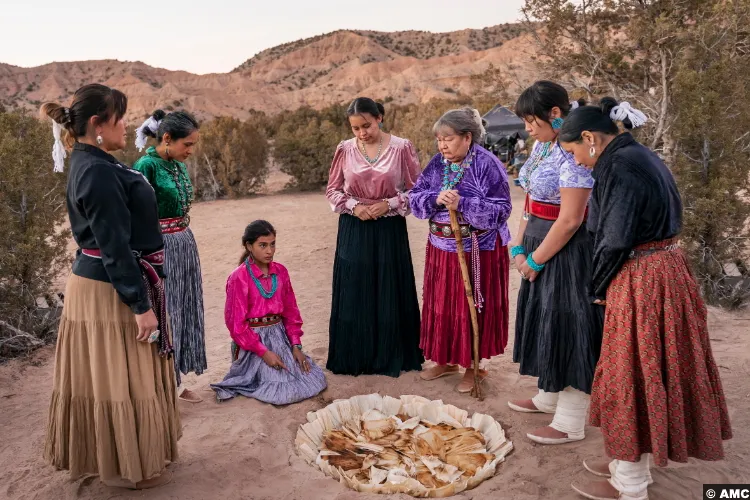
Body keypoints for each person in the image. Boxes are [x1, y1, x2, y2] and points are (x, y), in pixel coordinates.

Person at [558, 99, 732, 500]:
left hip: (643, 277)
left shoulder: (619, 166)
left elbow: (615, 237)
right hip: (663, 270)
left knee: (632, 373)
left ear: (589, 139)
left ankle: (630, 483)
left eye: (574, 153)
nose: (578, 163)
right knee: (648, 369)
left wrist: (597, 286)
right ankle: (628, 460)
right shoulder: (636, 155)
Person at [41, 84, 179, 489]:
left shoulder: (93, 162)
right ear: (98, 124)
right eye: (120, 118)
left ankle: (124, 460)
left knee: (116, 375)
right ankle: (123, 468)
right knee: (119, 376)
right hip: (109, 288)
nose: (127, 126)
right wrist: (140, 304)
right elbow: (114, 246)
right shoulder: (97, 172)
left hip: (104, 281)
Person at [507, 81, 604, 445]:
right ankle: (548, 395)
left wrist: (535, 258)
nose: (527, 128)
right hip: (537, 239)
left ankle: (570, 421)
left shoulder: (573, 152)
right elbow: (531, 197)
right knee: (545, 319)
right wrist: (518, 245)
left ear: (556, 115)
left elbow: (571, 218)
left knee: (568, 323)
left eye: (532, 120)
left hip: (566, 250)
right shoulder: (543, 144)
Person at [409, 107, 512, 393]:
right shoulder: (438, 164)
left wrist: (463, 204)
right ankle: (446, 361)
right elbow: (415, 197)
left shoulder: (487, 164)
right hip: (442, 249)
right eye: (439, 139)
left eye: (448, 139)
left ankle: (474, 366)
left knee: (472, 308)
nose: (442, 145)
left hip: (478, 251)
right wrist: (435, 198)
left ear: (467, 137)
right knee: (442, 306)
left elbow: (502, 210)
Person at [325, 97, 424, 377]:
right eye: (356, 128)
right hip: (354, 227)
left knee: (389, 288)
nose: (361, 133)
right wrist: (355, 207)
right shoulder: (344, 149)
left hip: (389, 228)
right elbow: (332, 190)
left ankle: (393, 356)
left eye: (366, 126)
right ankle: (355, 358)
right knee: (355, 289)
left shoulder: (402, 147)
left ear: (380, 117)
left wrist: (390, 204)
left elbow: (418, 190)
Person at [133, 110, 207, 403]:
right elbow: (136, 214)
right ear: (167, 138)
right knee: (166, 312)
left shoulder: (177, 165)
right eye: (187, 144)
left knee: (183, 310)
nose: (190, 150)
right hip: (160, 248)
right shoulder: (145, 166)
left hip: (184, 243)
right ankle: (164, 384)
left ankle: (176, 378)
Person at [211, 220, 327, 404]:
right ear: (249, 246)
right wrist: (263, 352)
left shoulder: (281, 271)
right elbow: (236, 325)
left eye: (273, 244)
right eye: (262, 245)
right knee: (279, 391)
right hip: (253, 342)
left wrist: (296, 346)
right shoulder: (238, 278)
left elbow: (291, 312)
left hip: (280, 337)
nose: (269, 251)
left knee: (310, 378)